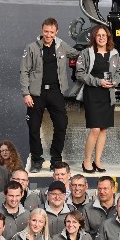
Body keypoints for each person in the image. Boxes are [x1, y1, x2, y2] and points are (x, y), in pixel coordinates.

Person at [21, 17, 81, 173]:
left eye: (51, 32)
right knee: (33, 127)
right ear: (42, 31)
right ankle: (37, 160)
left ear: (56, 32)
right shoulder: (31, 48)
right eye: (46, 31)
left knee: (61, 124)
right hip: (36, 93)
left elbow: (77, 55)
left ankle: (56, 159)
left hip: (56, 92)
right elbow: (24, 72)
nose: (48, 35)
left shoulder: (61, 46)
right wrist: (26, 94)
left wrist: (96, 50)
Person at [76, 24, 120, 174]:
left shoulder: (114, 53)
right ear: (94, 38)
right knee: (95, 129)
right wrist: (98, 82)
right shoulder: (86, 53)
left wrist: (115, 81)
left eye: (104, 35)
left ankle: (98, 160)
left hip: (108, 95)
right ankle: (86, 161)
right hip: (92, 93)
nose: (101, 38)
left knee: (103, 129)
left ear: (108, 37)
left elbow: (119, 72)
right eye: (98, 35)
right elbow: (80, 74)